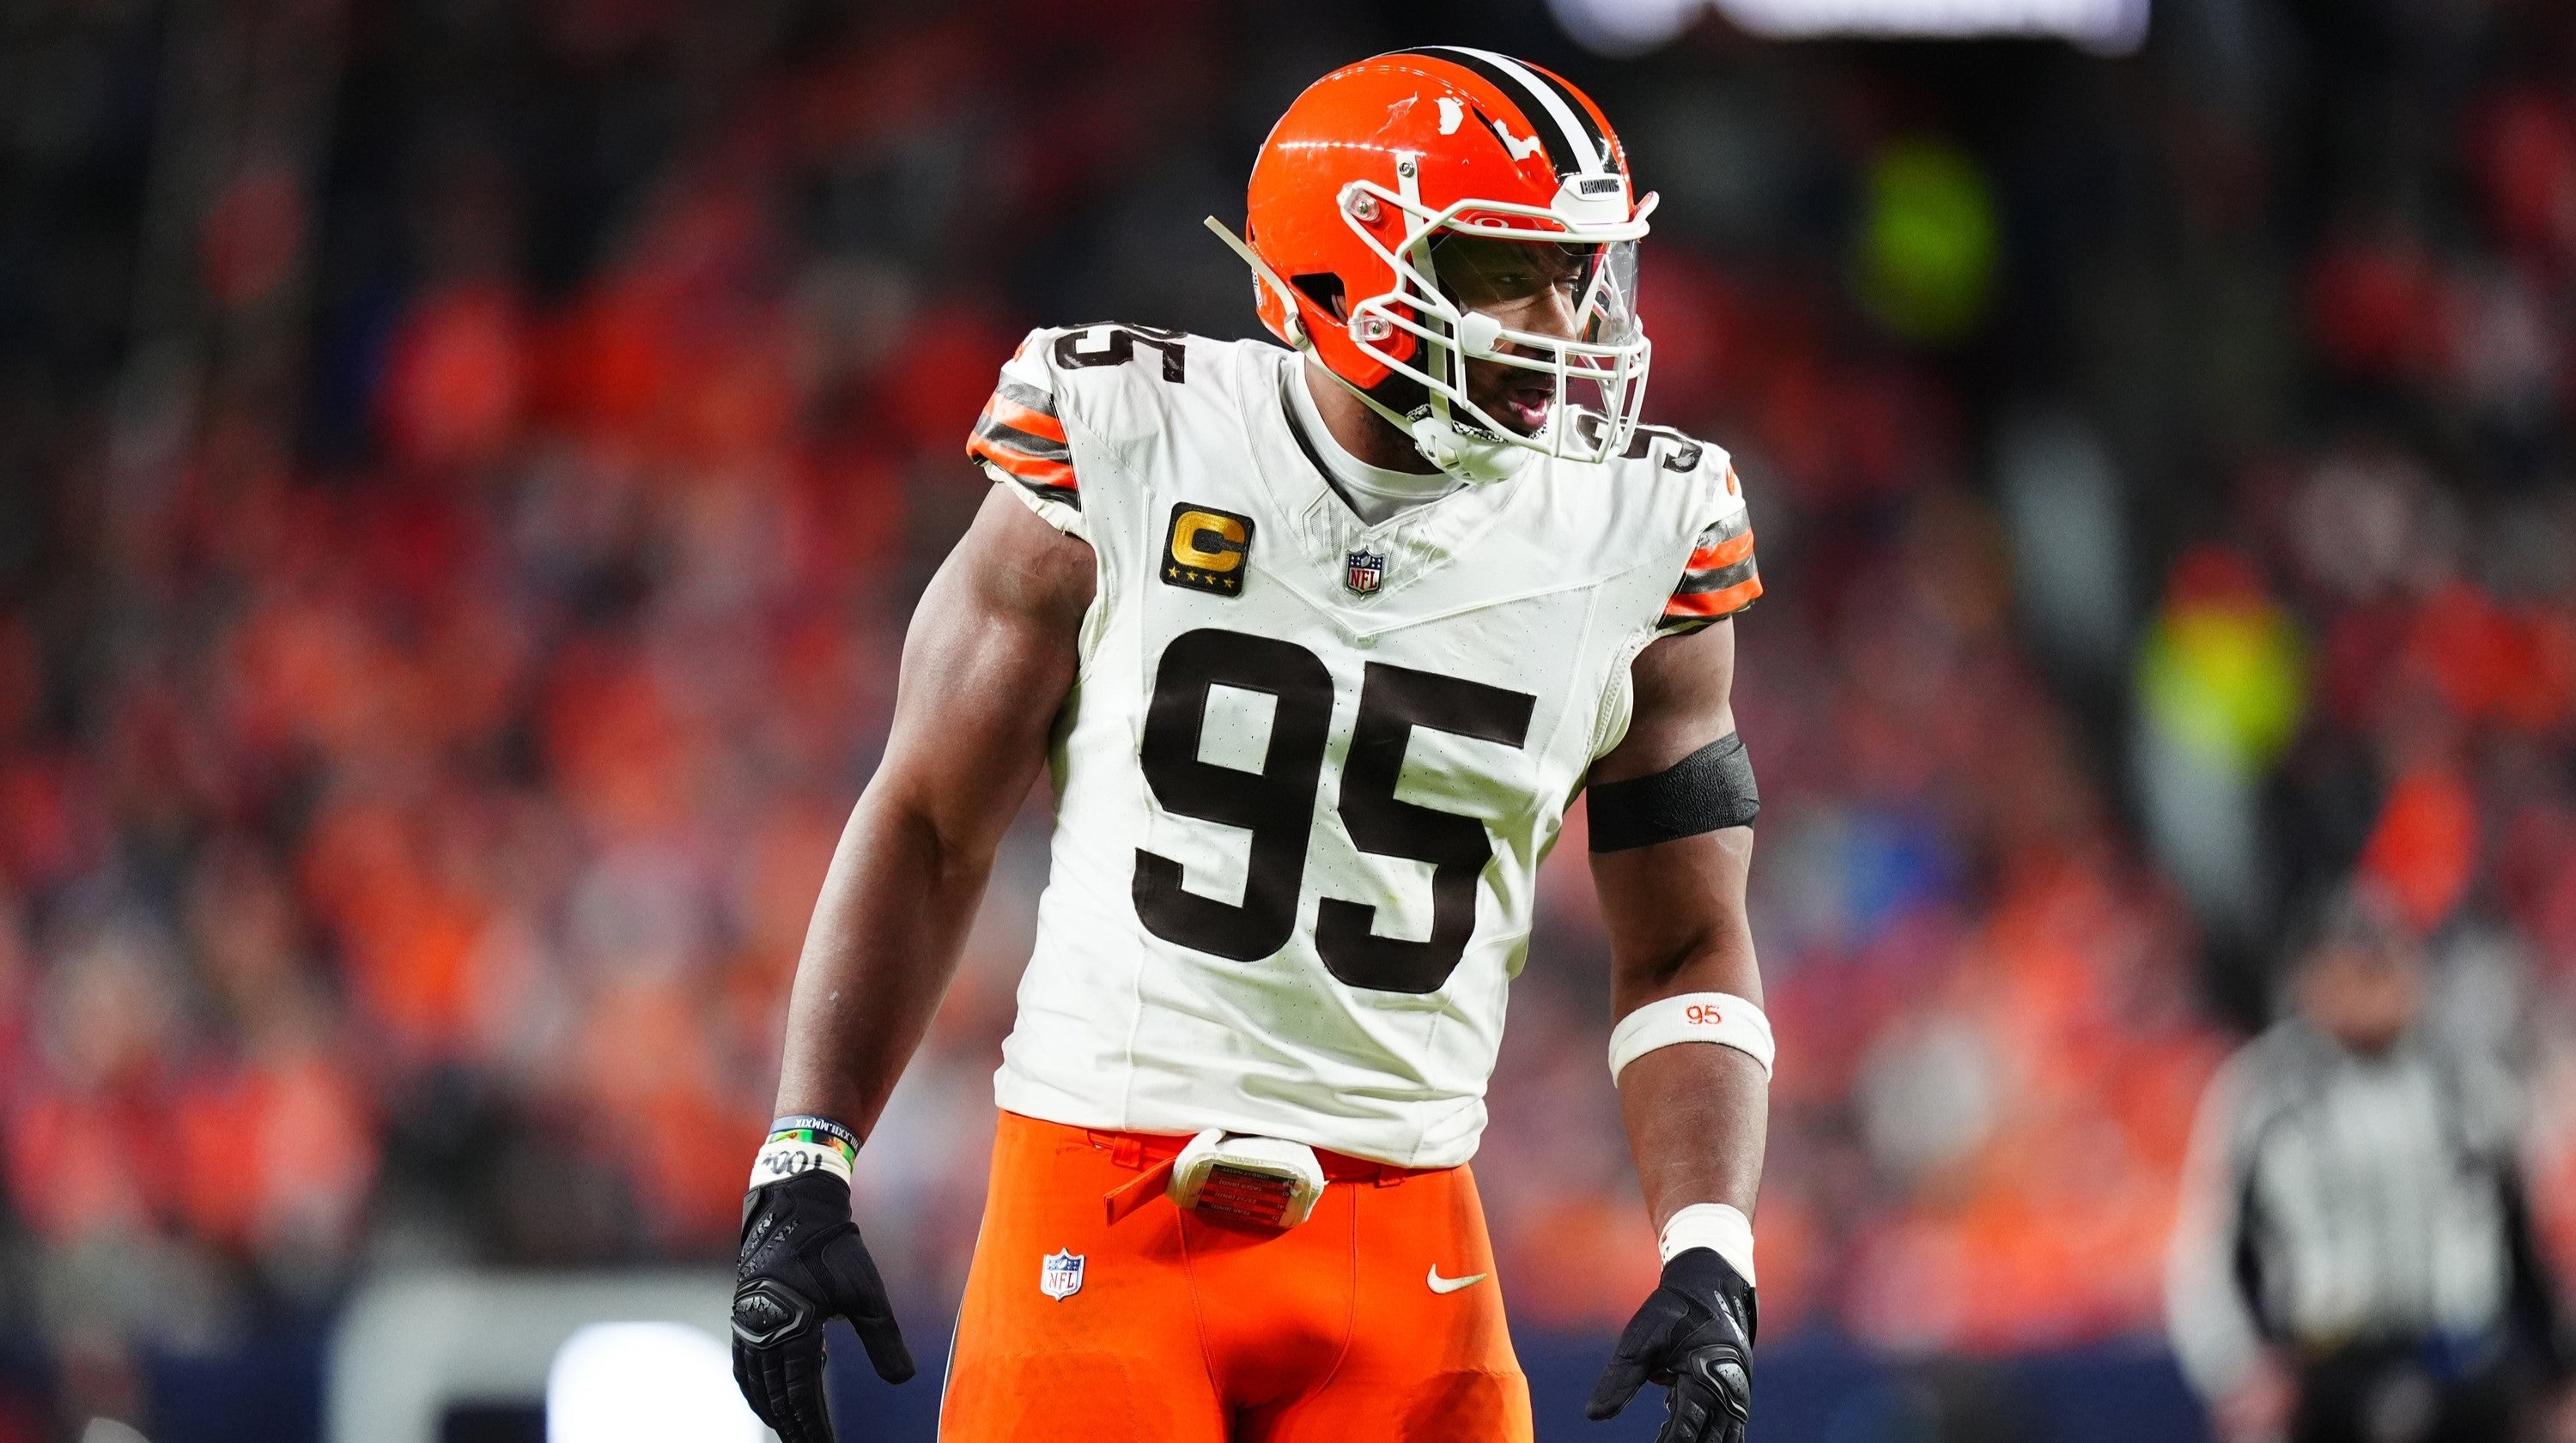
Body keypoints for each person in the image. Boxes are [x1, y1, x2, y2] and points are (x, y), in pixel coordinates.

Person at [728, 48, 1771, 1443]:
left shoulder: (1648, 535)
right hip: (1101, 1202)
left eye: (1585, 271)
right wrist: (807, 1154)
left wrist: (1710, 1243)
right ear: (1353, 268)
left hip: (1414, 1237)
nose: (1570, 316)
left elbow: (1689, 942)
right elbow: (929, 818)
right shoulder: (1128, 439)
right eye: (1510, 267)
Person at [2166, 885, 2571, 1443]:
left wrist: (2560, 1371)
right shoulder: (2263, 1090)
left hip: (2467, 1364)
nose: (2371, 984)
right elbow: (2211, 1248)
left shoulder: (2475, 1086)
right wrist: (2234, 1370)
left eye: (2385, 961)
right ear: (2311, 975)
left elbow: (2526, 1239)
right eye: (2351, 965)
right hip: (2328, 1371)